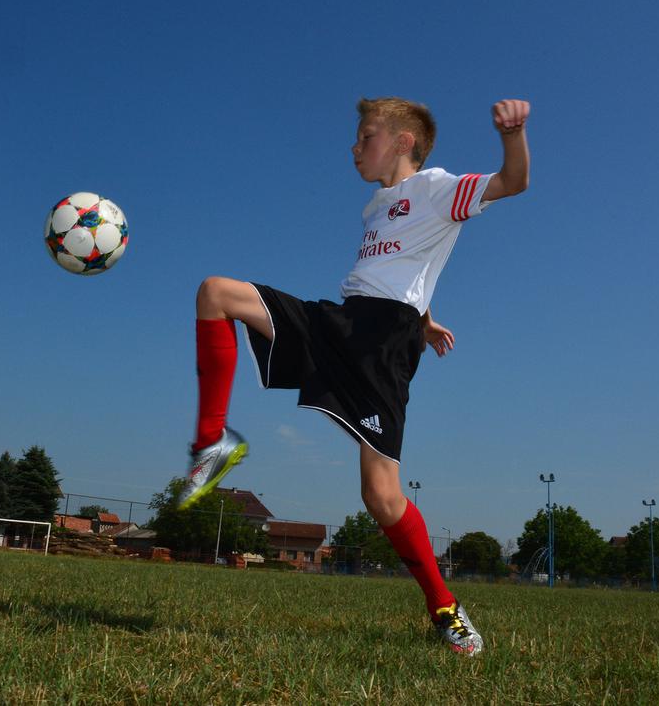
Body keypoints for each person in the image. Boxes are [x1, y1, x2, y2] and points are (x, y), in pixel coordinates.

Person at [175, 96, 531, 656]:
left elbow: (513, 182)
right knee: (216, 292)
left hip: (382, 348)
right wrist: (430, 319)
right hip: (339, 319)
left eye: (366, 136)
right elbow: (404, 268)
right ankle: (213, 441)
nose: (354, 147)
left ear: (403, 142)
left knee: (381, 496)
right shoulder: (376, 207)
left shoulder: (437, 188)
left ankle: (444, 608)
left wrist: (513, 134)